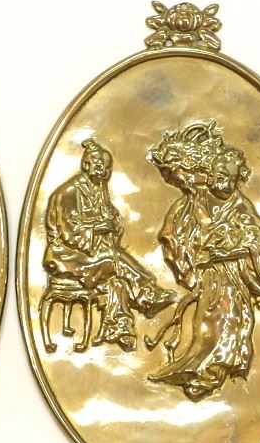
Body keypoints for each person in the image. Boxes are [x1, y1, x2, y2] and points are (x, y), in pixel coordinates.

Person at [147, 123, 260, 400]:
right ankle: (203, 369)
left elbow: (255, 242)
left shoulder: (240, 208)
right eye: (220, 176)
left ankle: (215, 371)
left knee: (232, 319)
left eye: (230, 178)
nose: (224, 183)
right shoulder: (191, 204)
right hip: (210, 277)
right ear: (210, 174)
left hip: (233, 277)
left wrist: (224, 253)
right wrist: (191, 263)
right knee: (209, 321)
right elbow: (174, 235)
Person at [43, 138, 174, 350]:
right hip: (65, 254)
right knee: (112, 260)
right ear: (86, 165)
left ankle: (119, 330)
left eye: (107, 167)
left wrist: (113, 221)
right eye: (99, 166)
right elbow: (70, 232)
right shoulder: (68, 193)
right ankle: (147, 293)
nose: (104, 171)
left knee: (117, 283)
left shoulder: (97, 188)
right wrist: (102, 226)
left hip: (91, 252)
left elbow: (109, 216)